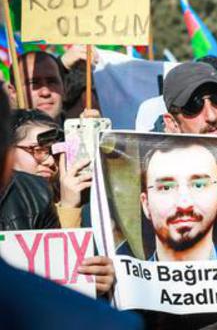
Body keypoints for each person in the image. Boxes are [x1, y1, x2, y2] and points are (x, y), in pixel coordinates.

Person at [0, 80, 143, 330]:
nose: (52, 161)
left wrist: (103, 277)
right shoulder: (18, 201)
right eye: (38, 150)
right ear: (8, 153)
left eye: (57, 151)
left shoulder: (91, 204)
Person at [140, 138, 217, 261]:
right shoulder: (122, 276)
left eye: (199, 185)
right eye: (166, 188)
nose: (184, 204)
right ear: (146, 204)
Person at [8, 51, 65, 122]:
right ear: (13, 92)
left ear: (63, 86)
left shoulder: (80, 130)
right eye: (34, 83)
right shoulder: (4, 132)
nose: (45, 92)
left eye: (52, 82)